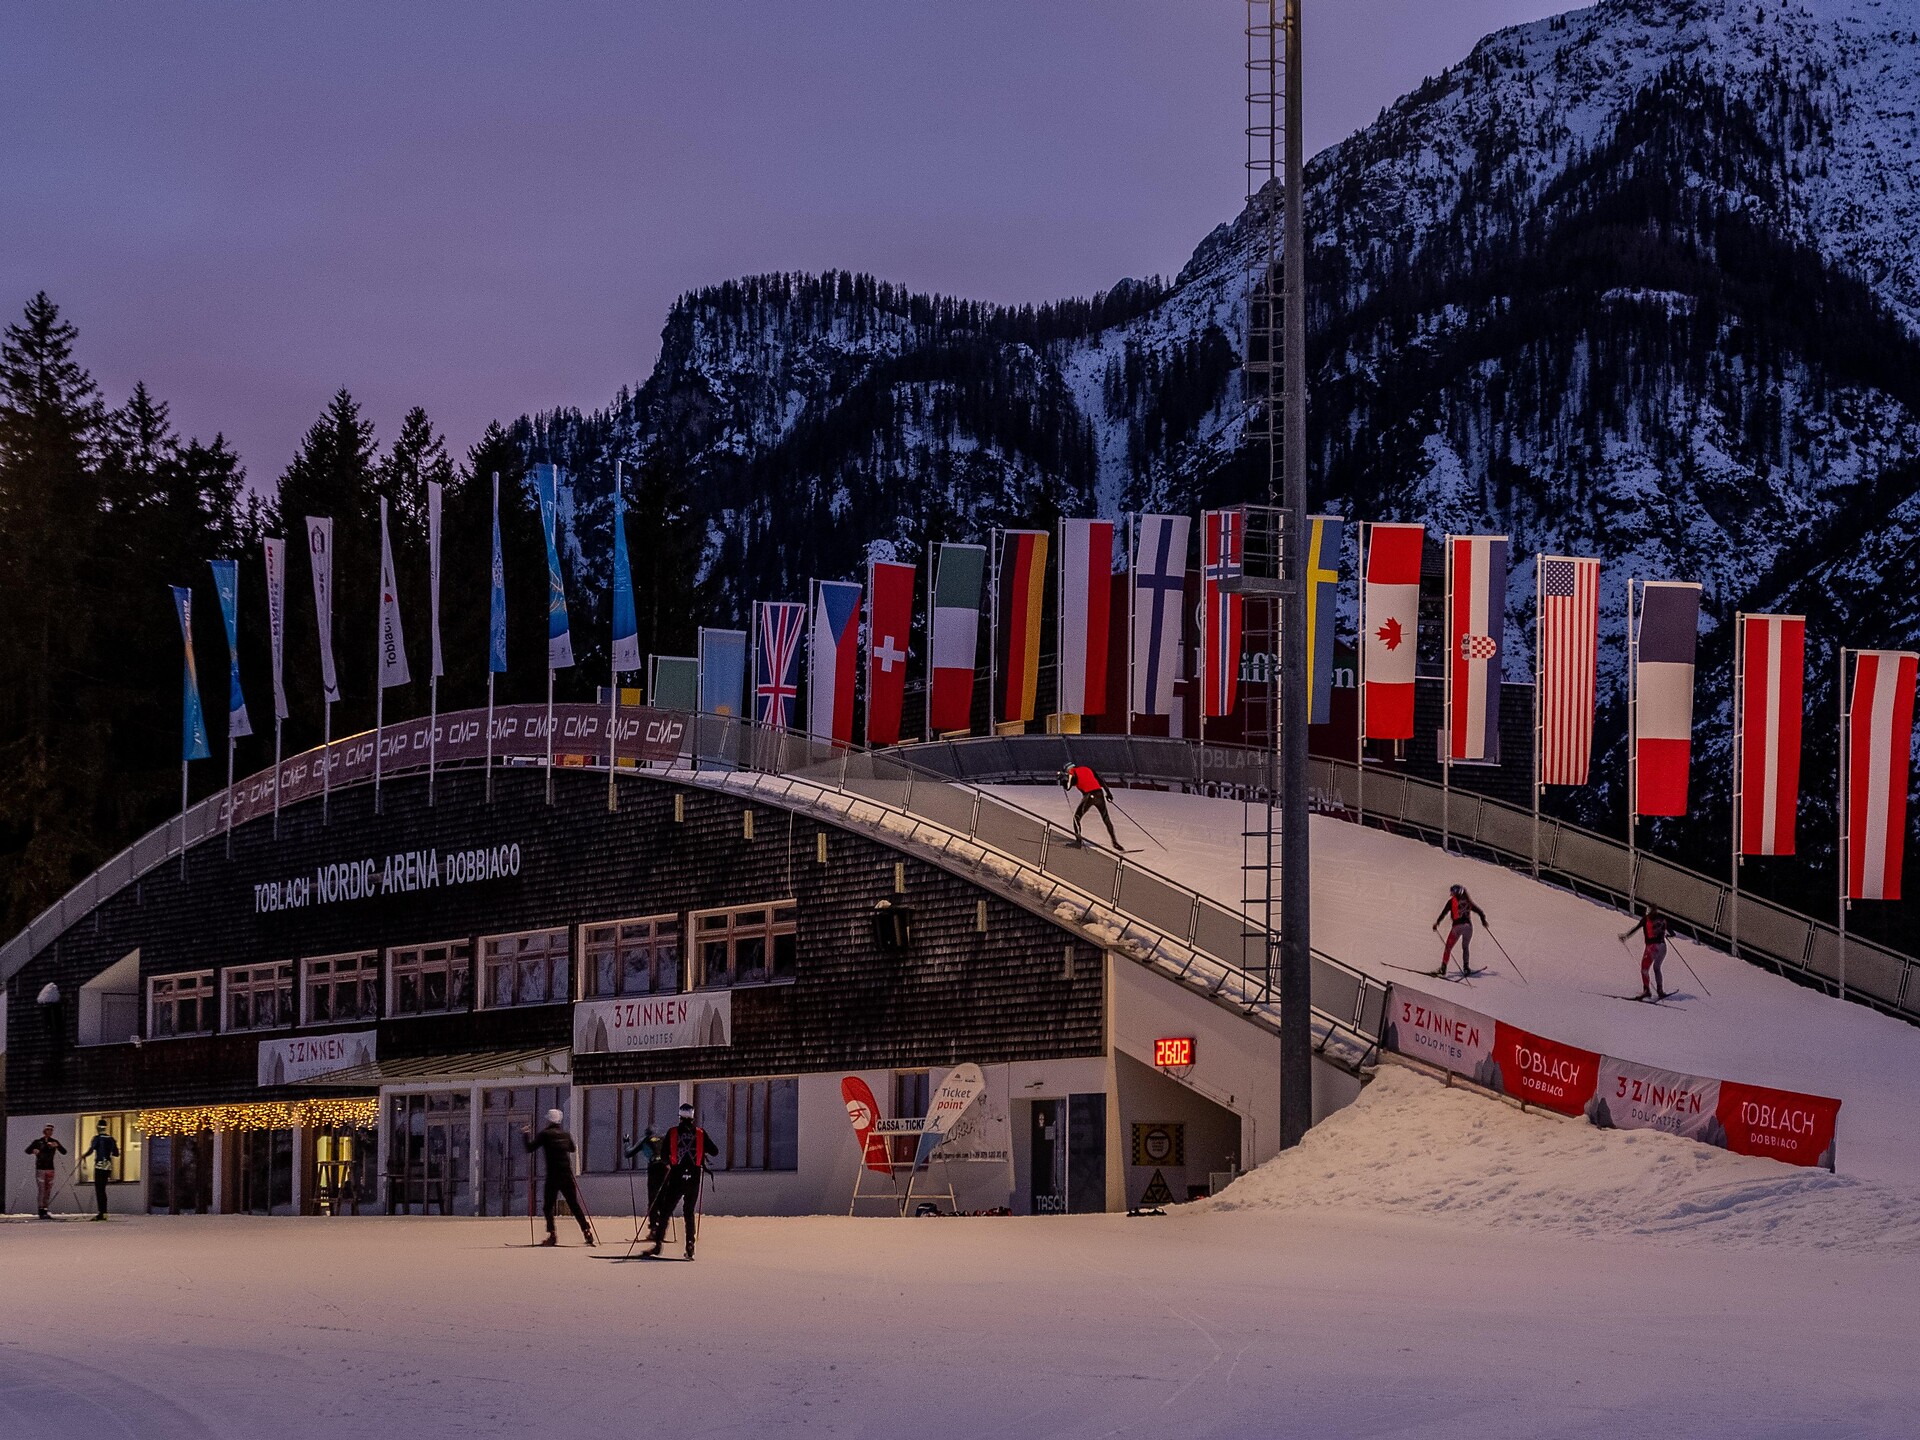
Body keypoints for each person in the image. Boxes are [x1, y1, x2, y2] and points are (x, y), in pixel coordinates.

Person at [646, 1102, 716, 1260]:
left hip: (676, 1176)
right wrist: (702, 1148)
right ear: (692, 1117)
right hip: (694, 1177)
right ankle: (690, 1244)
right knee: (689, 1212)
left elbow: (664, 1156)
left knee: (666, 1210)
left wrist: (670, 1162)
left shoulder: (672, 1132)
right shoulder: (700, 1133)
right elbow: (715, 1151)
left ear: (680, 1117)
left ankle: (658, 1245)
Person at [522, 1108, 596, 1247]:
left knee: (548, 1206)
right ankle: (586, 1230)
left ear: (549, 1120)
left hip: (553, 1175)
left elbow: (530, 1148)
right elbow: (572, 1149)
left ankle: (552, 1235)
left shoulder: (545, 1135)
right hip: (567, 1174)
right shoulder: (565, 1135)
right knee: (574, 1205)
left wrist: (525, 1134)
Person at [1430, 884, 1489, 977]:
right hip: (1468, 928)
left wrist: (1437, 923)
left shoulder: (1451, 902)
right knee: (1465, 947)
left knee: (1448, 947)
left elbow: (1444, 913)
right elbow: (1480, 912)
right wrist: (1483, 921)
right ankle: (1466, 968)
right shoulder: (1468, 902)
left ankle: (1443, 968)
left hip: (1457, 927)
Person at [1058, 763, 1122, 849]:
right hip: (1099, 793)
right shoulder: (1087, 768)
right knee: (1106, 818)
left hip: (1089, 795)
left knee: (1076, 818)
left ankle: (1078, 842)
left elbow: (1068, 787)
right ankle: (1115, 842)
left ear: (1068, 769)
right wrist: (1109, 793)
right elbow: (1100, 780)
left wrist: (1063, 781)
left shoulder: (1072, 773)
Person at [1620, 904, 1671, 1000]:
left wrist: (1626, 936)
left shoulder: (1646, 919)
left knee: (1644, 969)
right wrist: (1667, 935)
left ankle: (1646, 990)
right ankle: (1660, 991)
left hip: (1652, 947)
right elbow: (1672, 933)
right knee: (1657, 968)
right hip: (1663, 947)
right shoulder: (1663, 919)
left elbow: (1636, 928)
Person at [24, 1125, 66, 1219]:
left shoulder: (54, 1141)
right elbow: (27, 1150)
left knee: (48, 1190)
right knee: (42, 1190)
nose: (50, 1131)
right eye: (48, 1129)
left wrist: (57, 1146)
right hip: (40, 1168)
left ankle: (45, 1209)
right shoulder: (38, 1142)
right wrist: (33, 1150)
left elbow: (64, 1152)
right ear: (44, 1131)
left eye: (51, 1130)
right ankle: (41, 1210)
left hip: (50, 1169)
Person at [623, 1125, 665, 1214]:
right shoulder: (663, 1138)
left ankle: (653, 1223)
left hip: (654, 1167)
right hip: (665, 1167)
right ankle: (663, 1222)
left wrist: (626, 1142)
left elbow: (628, 1153)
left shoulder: (645, 1140)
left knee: (652, 1196)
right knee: (663, 1194)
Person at [84, 1120, 119, 1221]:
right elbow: (116, 1153)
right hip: (108, 1166)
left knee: (99, 1190)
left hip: (99, 1166)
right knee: (103, 1190)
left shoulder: (97, 1138)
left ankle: (101, 1212)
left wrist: (84, 1156)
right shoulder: (111, 1139)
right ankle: (104, 1212)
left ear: (98, 1128)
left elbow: (91, 1150)